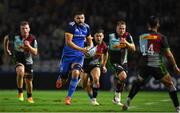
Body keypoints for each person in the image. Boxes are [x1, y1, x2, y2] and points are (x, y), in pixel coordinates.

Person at [122, 16, 180, 113]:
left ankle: (128, 101)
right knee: (170, 85)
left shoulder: (142, 36)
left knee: (138, 83)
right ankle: (178, 109)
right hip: (157, 65)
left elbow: (142, 51)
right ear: (158, 25)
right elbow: (169, 55)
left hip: (144, 66)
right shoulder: (161, 37)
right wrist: (175, 66)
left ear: (148, 25)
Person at [55, 11, 93, 105]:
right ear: (74, 18)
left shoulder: (87, 27)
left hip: (79, 57)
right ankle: (61, 76)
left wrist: (88, 48)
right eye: (78, 18)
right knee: (64, 79)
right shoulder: (71, 26)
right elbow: (68, 42)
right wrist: (82, 49)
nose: (80, 20)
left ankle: (69, 98)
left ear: (84, 18)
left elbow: (90, 42)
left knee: (76, 73)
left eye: (82, 18)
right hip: (67, 56)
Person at [3, 21, 38, 103]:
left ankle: (29, 97)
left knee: (28, 81)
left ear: (29, 29)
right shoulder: (15, 36)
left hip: (28, 61)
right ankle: (20, 92)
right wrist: (6, 49)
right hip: (18, 58)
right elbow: (6, 38)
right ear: (20, 29)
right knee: (20, 71)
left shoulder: (32, 39)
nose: (24, 30)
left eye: (26, 28)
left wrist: (28, 46)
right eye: (23, 28)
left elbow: (35, 52)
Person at [107, 20, 136, 106]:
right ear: (116, 28)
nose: (122, 30)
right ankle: (117, 98)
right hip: (113, 61)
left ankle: (116, 98)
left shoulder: (128, 36)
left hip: (124, 62)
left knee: (123, 79)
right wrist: (123, 45)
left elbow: (134, 48)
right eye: (120, 28)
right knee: (123, 76)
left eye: (123, 29)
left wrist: (126, 43)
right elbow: (113, 47)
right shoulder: (111, 36)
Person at [79, 29, 108, 106]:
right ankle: (83, 84)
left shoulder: (104, 45)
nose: (98, 38)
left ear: (103, 36)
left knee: (96, 79)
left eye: (100, 36)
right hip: (84, 65)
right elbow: (78, 51)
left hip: (95, 65)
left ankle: (94, 99)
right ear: (93, 37)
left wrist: (104, 65)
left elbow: (105, 54)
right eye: (97, 36)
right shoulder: (88, 42)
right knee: (84, 85)